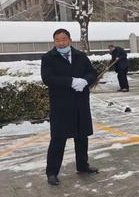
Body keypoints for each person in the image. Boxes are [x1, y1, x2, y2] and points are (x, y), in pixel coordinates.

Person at [41, 29, 99, 186]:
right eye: (57, 40)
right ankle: (52, 172)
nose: (61, 43)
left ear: (70, 40)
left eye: (64, 39)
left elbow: (92, 73)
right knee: (58, 139)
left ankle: (82, 165)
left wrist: (85, 81)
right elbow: (47, 78)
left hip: (80, 103)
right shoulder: (48, 58)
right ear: (54, 42)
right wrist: (71, 81)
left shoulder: (80, 56)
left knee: (81, 136)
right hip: (61, 104)